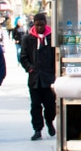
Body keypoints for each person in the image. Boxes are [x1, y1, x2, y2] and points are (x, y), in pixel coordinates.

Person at [19, 12, 57, 141]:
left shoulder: (52, 37)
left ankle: (49, 121)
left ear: (45, 24)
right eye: (37, 25)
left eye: (42, 25)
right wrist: (30, 68)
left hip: (49, 77)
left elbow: (56, 55)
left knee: (50, 104)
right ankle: (37, 129)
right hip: (35, 78)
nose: (39, 27)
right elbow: (23, 56)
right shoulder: (28, 38)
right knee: (35, 105)